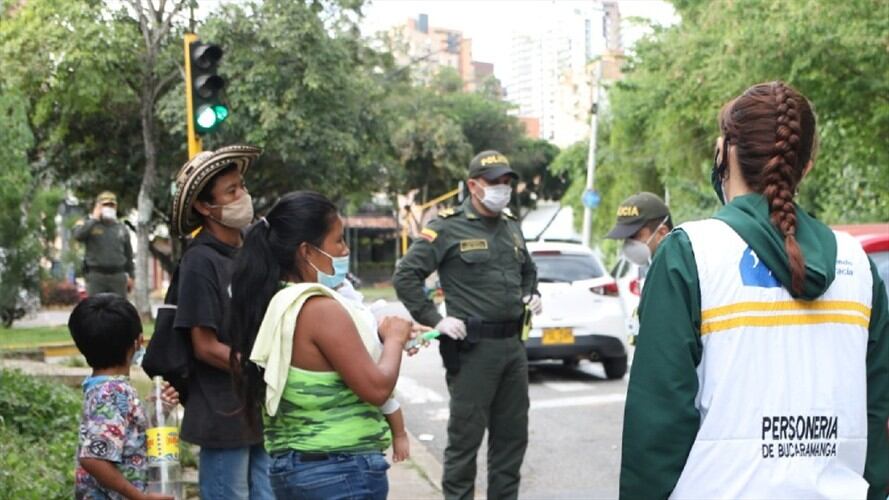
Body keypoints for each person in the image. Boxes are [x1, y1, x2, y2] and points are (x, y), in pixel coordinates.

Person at [620, 81, 889, 499]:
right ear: (807, 164)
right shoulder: (858, 266)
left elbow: (656, 430)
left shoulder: (691, 255)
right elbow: (876, 420)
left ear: (725, 152)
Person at [226, 191, 416, 499]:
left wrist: (379, 337)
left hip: (293, 470)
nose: (345, 249)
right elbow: (377, 388)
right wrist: (394, 339)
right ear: (306, 251)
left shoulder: (274, 301)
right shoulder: (318, 308)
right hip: (341, 471)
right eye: (338, 241)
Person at [392, 150, 541, 500]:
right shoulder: (447, 226)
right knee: (465, 442)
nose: (502, 189)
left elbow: (528, 271)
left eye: (506, 182)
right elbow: (406, 276)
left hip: (512, 348)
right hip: (474, 350)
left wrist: (531, 294)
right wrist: (436, 320)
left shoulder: (510, 226)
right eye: (494, 183)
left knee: (511, 440)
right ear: (473, 185)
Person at [169, 145, 273, 500]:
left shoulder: (251, 250)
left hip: (259, 407)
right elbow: (204, 345)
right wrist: (259, 369)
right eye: (231, 192)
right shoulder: (200, 262)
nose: (243, 196)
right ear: (204, 207)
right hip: (222, 411)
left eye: (241, 186)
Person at [68, 293, 178, 500]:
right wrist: (139, 497)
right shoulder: (112, 392)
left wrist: (158, 415)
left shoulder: (99, 387)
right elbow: (94, 459)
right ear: (138, 342)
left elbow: (124, 440)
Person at [72, 191, 134, 297]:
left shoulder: (121, 228)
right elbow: (78, 235)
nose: (108, 208)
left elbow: (128, 254)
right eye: (105, 205)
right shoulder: (89, 225)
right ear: (97, 206)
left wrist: (131, 276)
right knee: (96, 309)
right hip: (96, 276)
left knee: (118, 309)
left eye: (111, 205)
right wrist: (94, 219)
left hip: (117, 276)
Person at [605, 191, 673, 268]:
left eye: (634, 235)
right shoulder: (656, 268)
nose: (628, 244)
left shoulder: (681, 272)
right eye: (625, 238)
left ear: (662, 233)